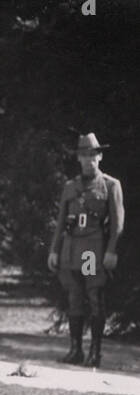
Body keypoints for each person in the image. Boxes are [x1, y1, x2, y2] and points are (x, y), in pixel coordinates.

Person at [48, 133, 124, 368]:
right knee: (74, 298)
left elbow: (117, 222)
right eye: (84, 155)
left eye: (92, 155)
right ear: (78, 158)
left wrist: (111, 250)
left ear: (99, 157)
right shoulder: (71, 186)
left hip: (92, 249)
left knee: (93, 296)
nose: (88, 160)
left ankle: (95, 352)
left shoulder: (110, 185)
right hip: (71, 248)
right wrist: (54, 250)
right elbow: (61, 221)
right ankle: (75, 350)